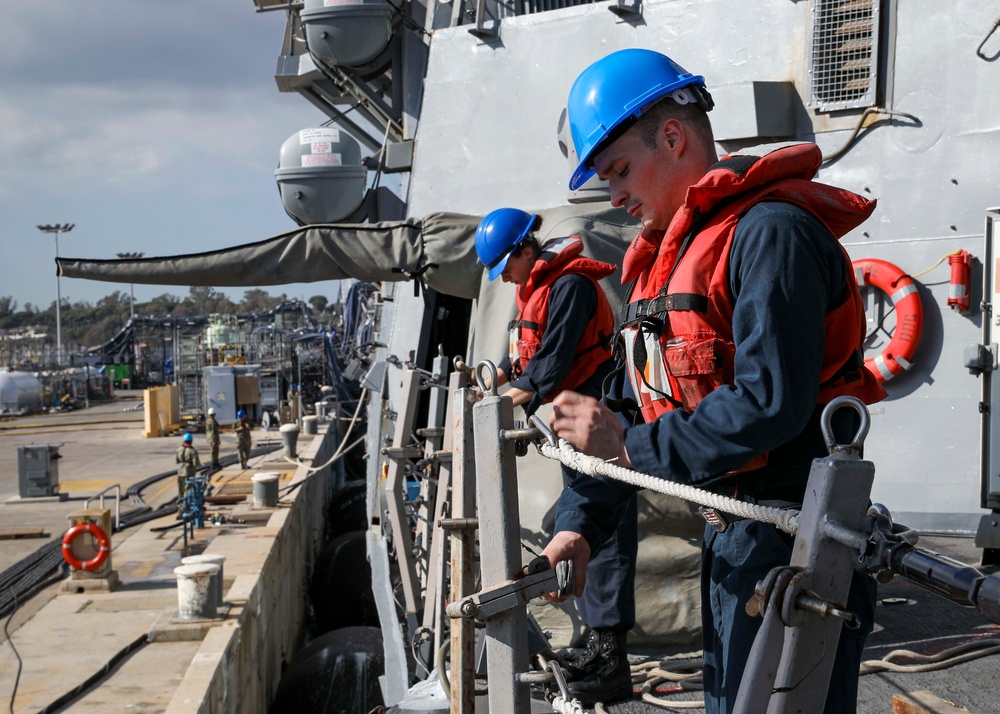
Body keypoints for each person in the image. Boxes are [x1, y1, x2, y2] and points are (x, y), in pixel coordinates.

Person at [541, 48, 888, 714]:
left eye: (618, 170)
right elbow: (628, 401)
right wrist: (580, 523)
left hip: (793, 540)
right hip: (733, 536)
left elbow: (769, 403)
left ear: (672, 137)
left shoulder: (771, 236)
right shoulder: (667, 267)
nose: (612, 196)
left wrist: (627, 451)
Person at [474, 207, 638, 704]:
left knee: (604, 532)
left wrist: (499, 407)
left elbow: (551, 365)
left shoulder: (570, 287)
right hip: (571, 423)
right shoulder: (536, 289)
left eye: (505, 265)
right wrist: (488, 380)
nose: (505, 277)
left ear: (526, 250)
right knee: (582, 526)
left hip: (597, 420)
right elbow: (524, 356)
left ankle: (612, 658)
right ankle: (596, 644)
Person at [175, 432, 200, 500]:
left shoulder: (179, 449)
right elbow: (196, 463)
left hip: (180, 471)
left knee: (181, 488)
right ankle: (186, 504)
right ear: (191, 440)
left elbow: (177, 461)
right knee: (188, 488)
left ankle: (180, 502)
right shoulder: (192, 451)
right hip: (188, 471)